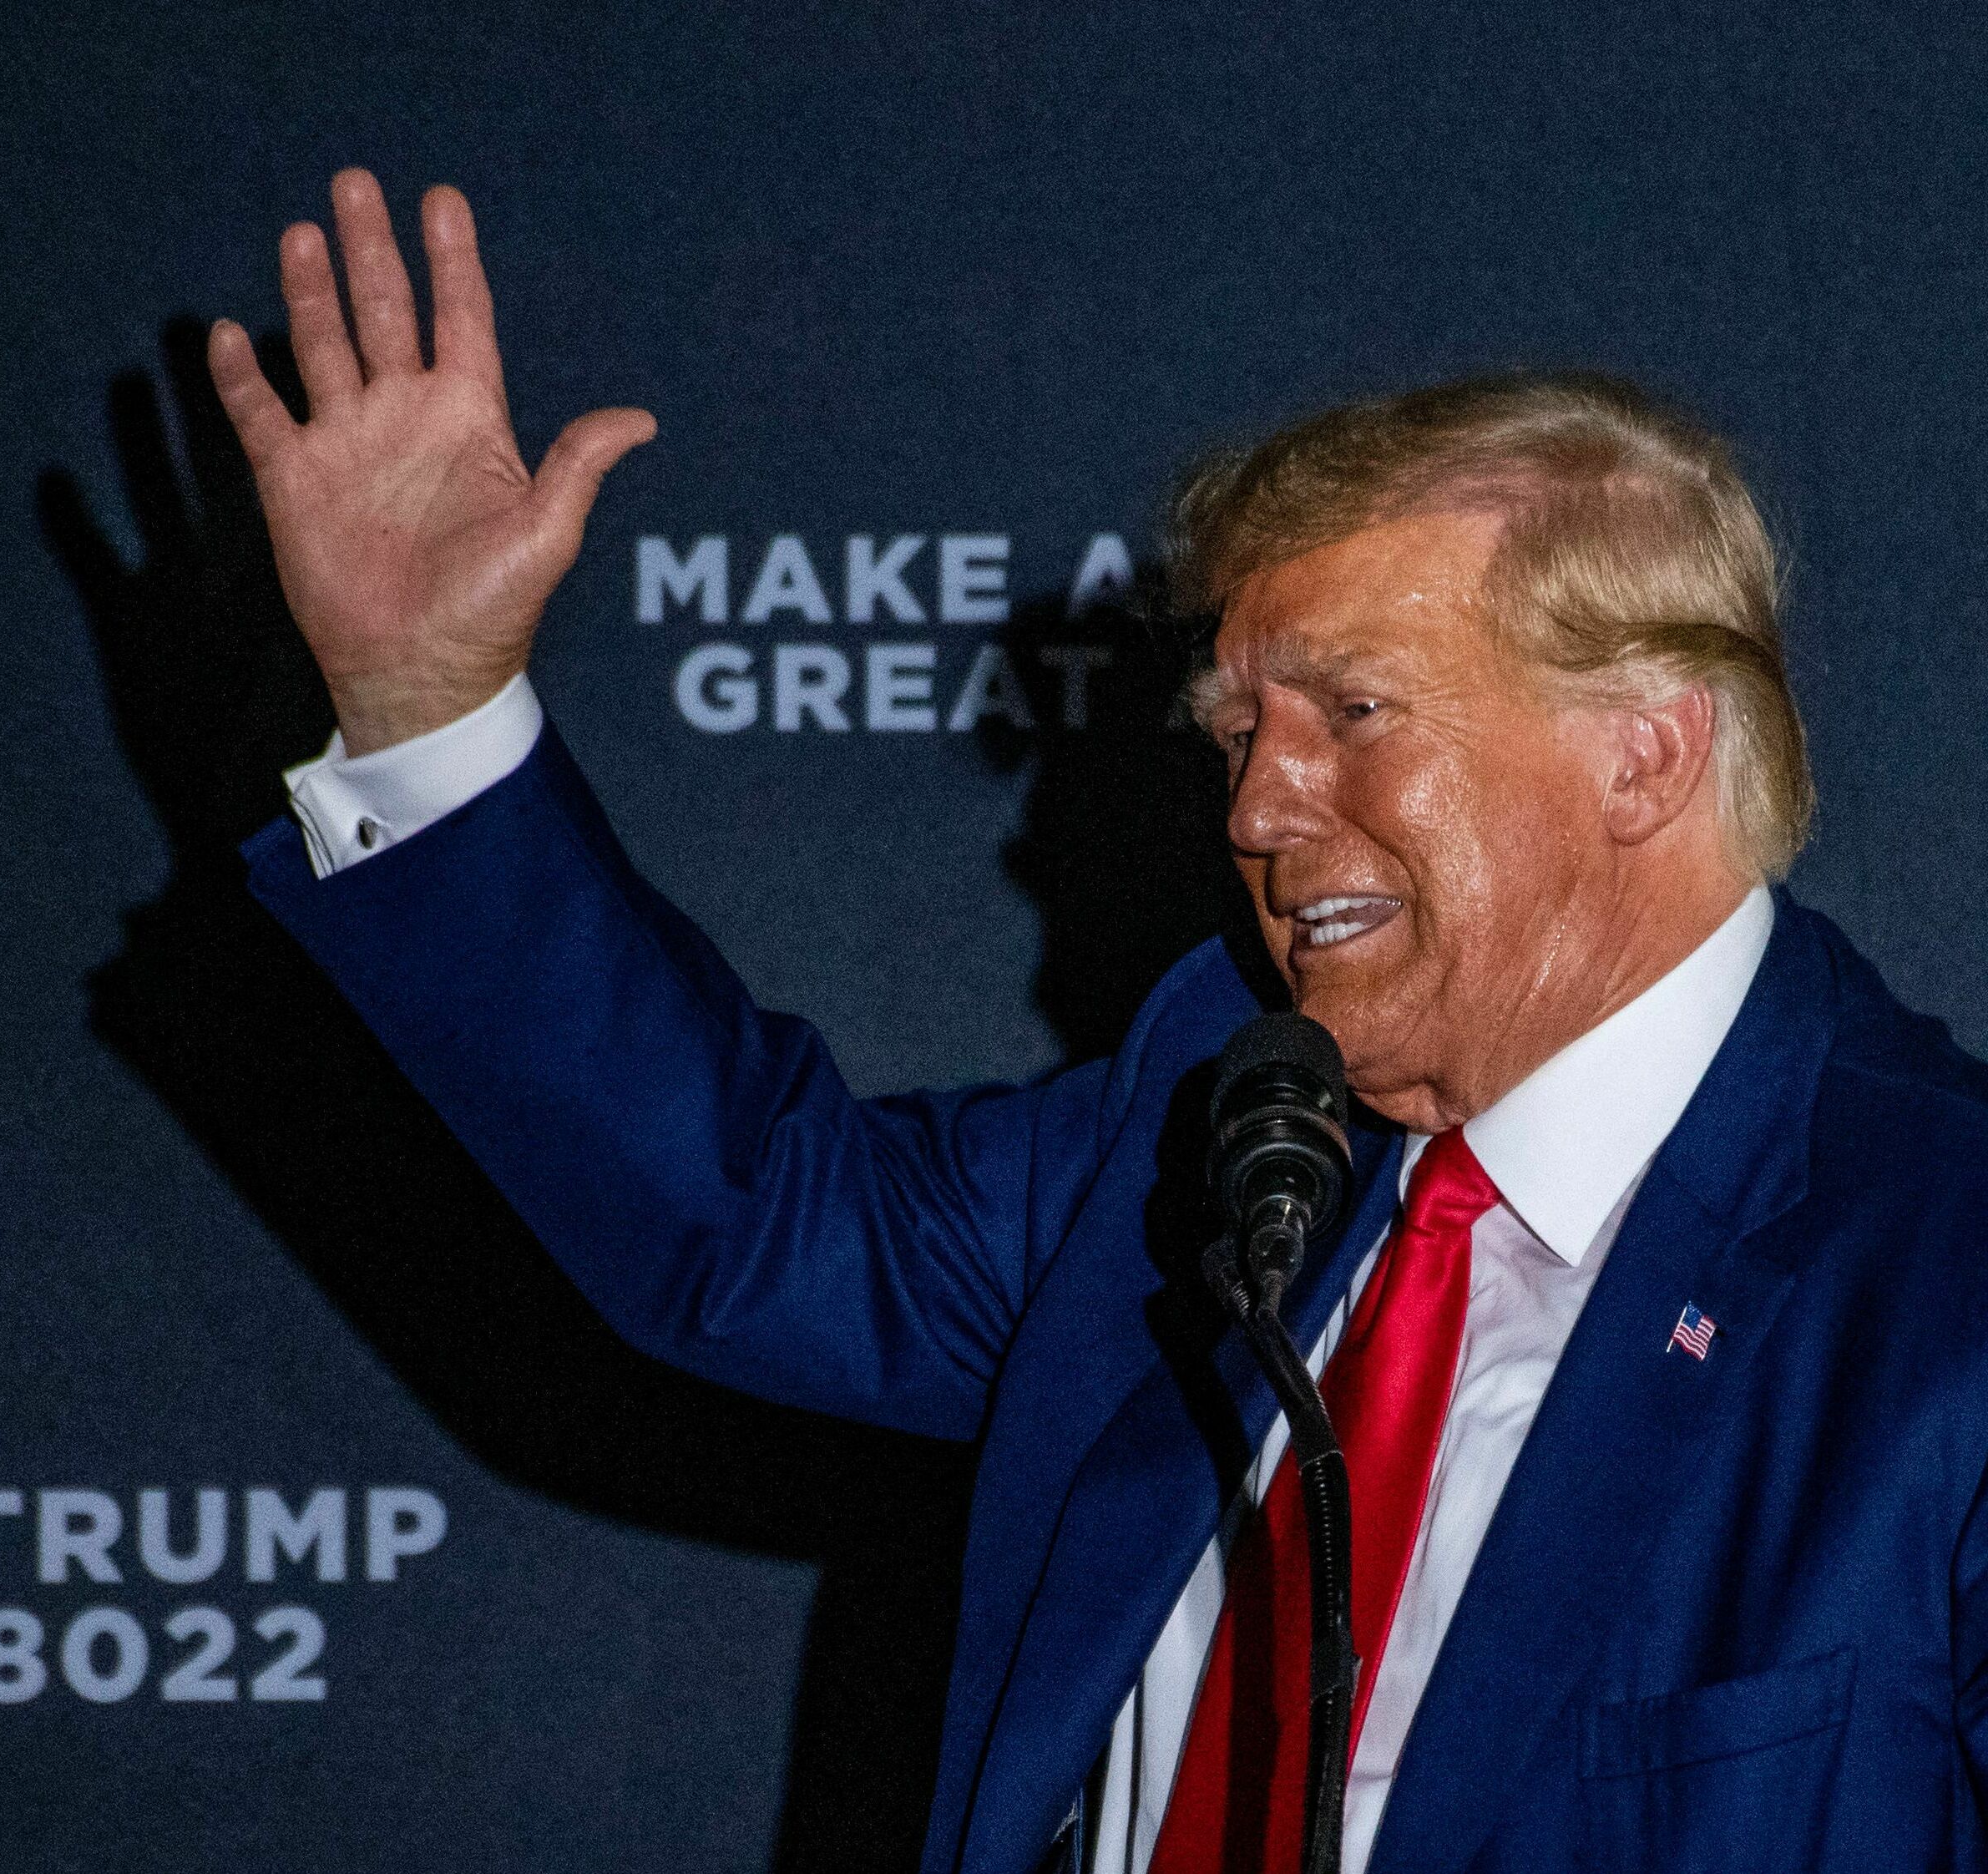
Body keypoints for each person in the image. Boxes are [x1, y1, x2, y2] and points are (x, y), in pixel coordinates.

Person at [208, 168, 1988, 1873]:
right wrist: (422, 708)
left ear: (1642, 753)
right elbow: (745, 1218)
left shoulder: (1941, 1269)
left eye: (1352, 711)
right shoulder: (1217, 1107)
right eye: (1236, 734)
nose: (1255, 811)